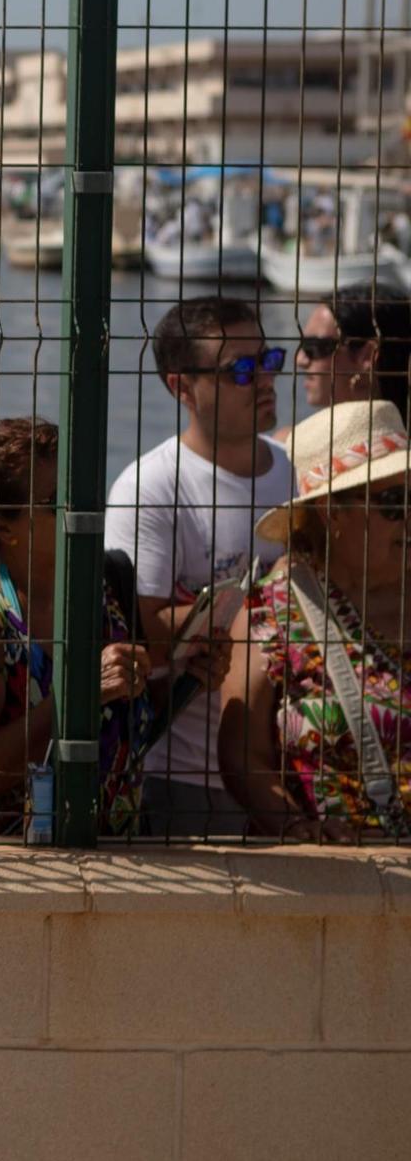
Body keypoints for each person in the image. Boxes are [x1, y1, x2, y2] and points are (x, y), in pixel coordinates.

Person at [0, 417, 226, 836]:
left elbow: (120, 729)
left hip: (122, 857)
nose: (80, 510)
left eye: (81, 492)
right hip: (16, 872)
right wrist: (79, 694)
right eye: (57, 500)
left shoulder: (104, 582)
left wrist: (184, 679)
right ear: (0, 524)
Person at [105, 296, 293, 836]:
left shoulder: (287, 470)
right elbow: (138, 626)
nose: (262, 380)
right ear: (181, 387)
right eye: (239, 370)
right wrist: (248, 621)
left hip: (277, 764)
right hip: (183, 771)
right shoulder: (151, 489)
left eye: (267, 360)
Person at [220, 400, 411, 839]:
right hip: (335, 875)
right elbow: (242, 757)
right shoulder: (271, 614)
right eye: (394, 502)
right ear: (333, 511)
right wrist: (297, 827)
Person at [276, 283, 411, 444]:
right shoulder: (294, 446)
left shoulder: (290, 448)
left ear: (367, 356)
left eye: (315, 347)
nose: (300, 360)